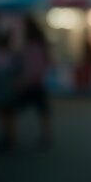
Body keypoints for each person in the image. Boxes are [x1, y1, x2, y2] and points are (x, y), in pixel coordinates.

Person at [17, 17, 52, 147]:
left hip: (31, 83)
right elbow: (47, 62)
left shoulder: (31, 46)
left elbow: (32, 67)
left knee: (11, 110)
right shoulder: (40, 45)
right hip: (38, 83)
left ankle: (10, 136)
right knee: (43, 111)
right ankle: (46, 135)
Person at [0, 30, 19, 151]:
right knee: (8, 115)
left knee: (4, 114)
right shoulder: (11, 55)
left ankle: (8, 138)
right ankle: (10, 138)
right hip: (8, 90)